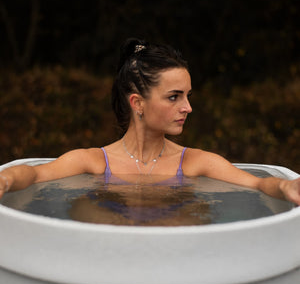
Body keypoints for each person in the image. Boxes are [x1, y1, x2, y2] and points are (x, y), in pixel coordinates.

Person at [0, 38, 299, 205]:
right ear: (138, 103)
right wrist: (7, 179)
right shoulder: (94, 162)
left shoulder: (195, 163)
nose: (188, 108)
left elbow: (259, 183)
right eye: (174, 97)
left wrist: (286, 188)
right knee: (88, 208)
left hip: (173, 269)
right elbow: (35, 176)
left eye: (187, 96)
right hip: (109, 266)